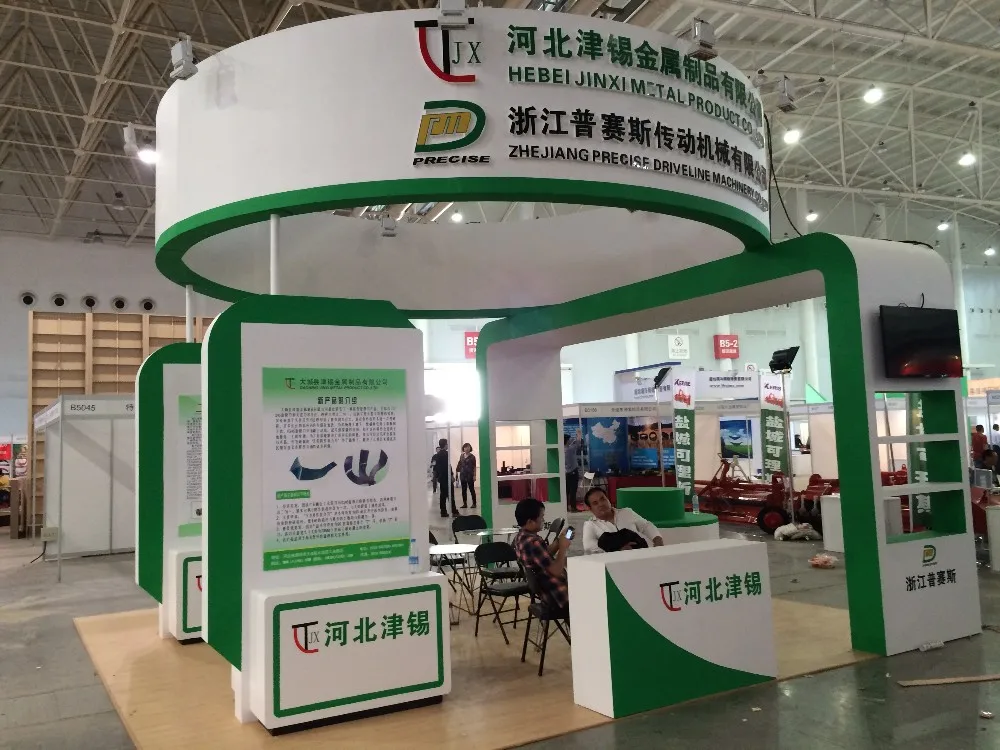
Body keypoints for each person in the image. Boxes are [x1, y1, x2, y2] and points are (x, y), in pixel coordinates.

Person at [513, 497, 570, 613]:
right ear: (530, 521)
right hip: (558, 595)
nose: (543, 520)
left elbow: (543, 555)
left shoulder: (521, 537)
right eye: (541, 517)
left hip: (546, 593)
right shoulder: (533, 542)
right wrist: (563, 547)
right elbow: (556, 571)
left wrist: (559, 541)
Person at [581, 487, 664, 553]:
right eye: (595, 503)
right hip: (613, 563)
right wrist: (617, 550)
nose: (601, 504)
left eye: (603, 499)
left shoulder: (626, 512)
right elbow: (589, 546)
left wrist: (658, 540)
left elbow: (646, 526)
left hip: (641, 555)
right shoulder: (590, 525)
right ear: (590, 509)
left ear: (608, 499)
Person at [430, 438, 456, 518]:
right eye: (447, 444)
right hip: (446, 477)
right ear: (445, 445)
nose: (448, 445)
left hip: (441, 477)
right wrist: (451, 475)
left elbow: (437, 466)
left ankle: (443, 512)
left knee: (443, 495)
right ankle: (454, 511)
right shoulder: (445, 454)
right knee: (450, 495)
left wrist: (438, 476)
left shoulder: (437, 455)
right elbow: (448, 466)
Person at [456, 442, 477, 509]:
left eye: (468, 447)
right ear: (463, 448)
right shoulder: (461, 456)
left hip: (470, 475)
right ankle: (465, 504)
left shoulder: (472, 457)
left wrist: (474, 475)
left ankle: (474, 503)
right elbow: (459, 464)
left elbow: (474, 467)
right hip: (463, 474)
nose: (467, 448)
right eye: (465, 447)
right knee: (463, 490)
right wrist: (457, 473)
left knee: (471, 489)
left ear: (470, 448)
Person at [564, 432, 582, 512]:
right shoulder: (570, 449)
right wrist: (579, 434)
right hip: (573, 472)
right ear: (567, 441)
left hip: (566, 473)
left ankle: (566, 508)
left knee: (567, 491)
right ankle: (573, 508)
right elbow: (578, 443)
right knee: (573, 491)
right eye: (569, 439)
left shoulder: (563, 450)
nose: (571, 440)